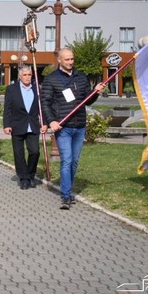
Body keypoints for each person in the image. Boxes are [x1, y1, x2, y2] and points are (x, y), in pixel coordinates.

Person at [41, 48, 105, 210]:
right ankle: (65, 196)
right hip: (63, 127)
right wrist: (51, 121)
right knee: (67, 160)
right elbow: (45, 102)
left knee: (74, 162)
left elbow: (87, 100)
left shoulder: (81, 77)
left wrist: (96, 92)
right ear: (60, 60)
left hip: (79, 126)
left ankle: (67, 189)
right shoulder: (51, 79)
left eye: (72, 59)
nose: (70, 62)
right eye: (67, 59)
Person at [3, 66, 47, 190]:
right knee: (19, 154)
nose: (27, 77)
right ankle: (23, 178)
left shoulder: (37, 88)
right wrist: (6, 125)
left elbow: (41, 107)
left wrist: (44, 123)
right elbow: (7, 109)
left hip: (33, 125)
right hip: (17, 125)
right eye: (25, 75)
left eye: (29, 75)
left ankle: (31, 174)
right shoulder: (12, 89)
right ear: (20, 76)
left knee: (35, 151)